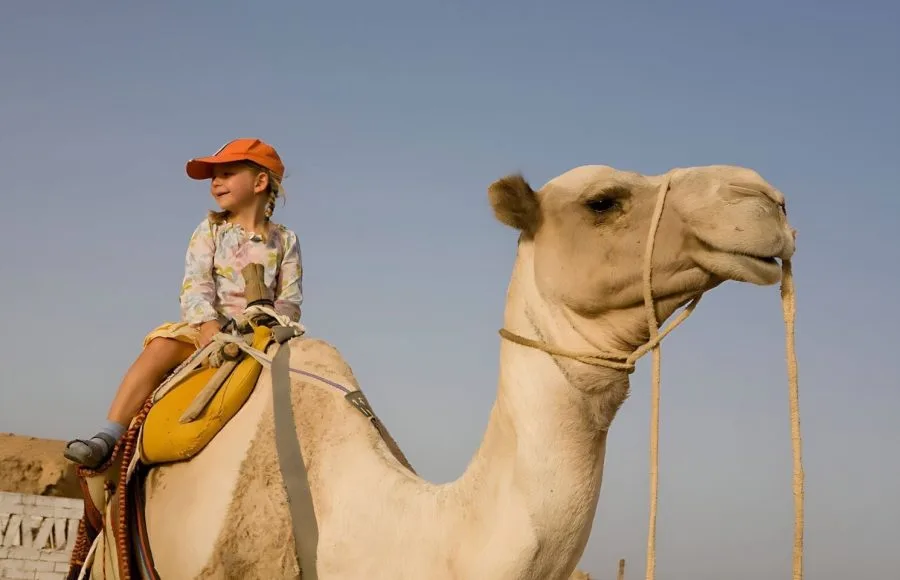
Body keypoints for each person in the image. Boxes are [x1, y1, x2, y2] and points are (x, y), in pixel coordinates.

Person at [64, 138, 303, 468]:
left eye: (227, 173)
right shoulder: (211, 230)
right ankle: (109, 435)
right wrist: (207, 325)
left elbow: (290, 298)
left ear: (260, 182)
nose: (216, 183)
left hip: (261, 335)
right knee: (161, 346)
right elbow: (196, 284)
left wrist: (270, 323)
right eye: (214, 177)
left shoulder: (285, 240)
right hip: (209, 331)